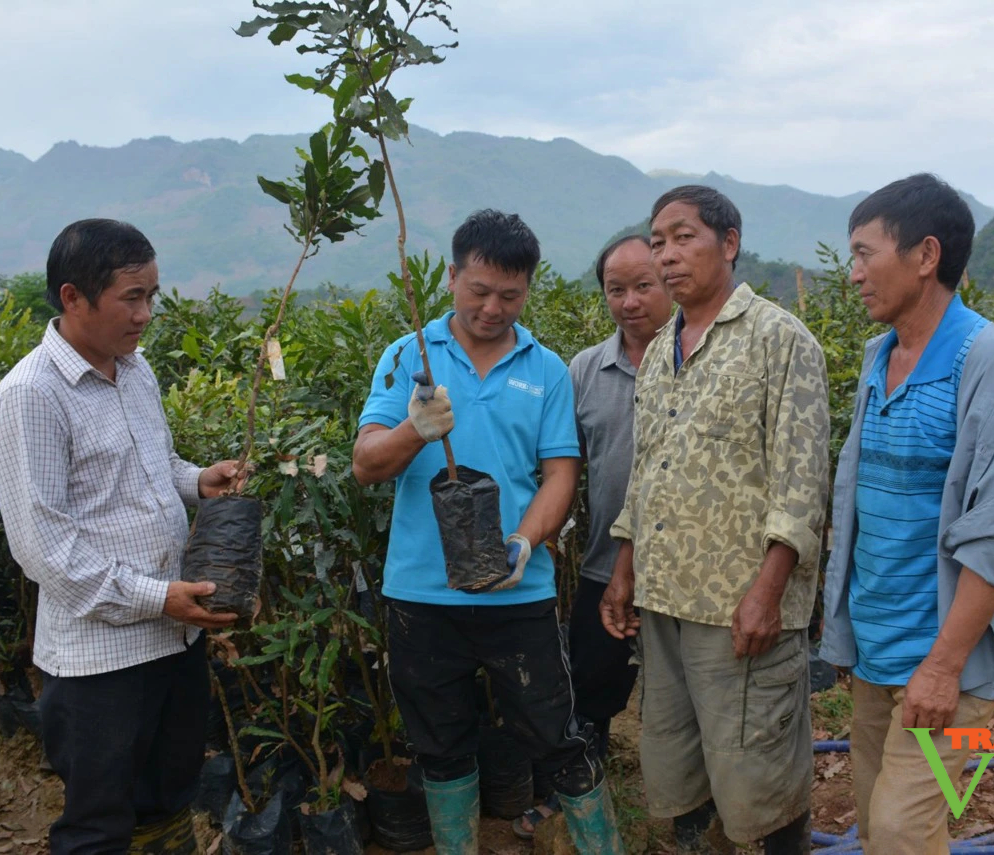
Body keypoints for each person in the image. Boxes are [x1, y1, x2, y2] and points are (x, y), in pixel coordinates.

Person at [351, 209, 625, 855]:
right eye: (479, 291)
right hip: (422, 595)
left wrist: (523, 543)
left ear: (528, 289)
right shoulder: (407, 357)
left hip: (517, 594)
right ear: (451, 277)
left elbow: (560, 474)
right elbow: (365, 465)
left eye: (509, 294)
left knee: (557, 735)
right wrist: (414, 429)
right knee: (439, 744)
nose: (492, 307)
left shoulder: (546, 369)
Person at [0, 219, 247, 854]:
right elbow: (46, 549)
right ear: (73, 297)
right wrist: (160, 598)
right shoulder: (31, 398)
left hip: (173, 638)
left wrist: (198, 481)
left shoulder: (135, 371)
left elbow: (152, 470)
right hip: (101, 660)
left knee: (167, 795)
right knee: (99, 822)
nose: (147, 314)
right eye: (133, 297)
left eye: (152, 295)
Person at [819, 174, 994, 855]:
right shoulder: (878, 356)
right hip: (874, 647)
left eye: (865, 253)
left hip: (941, 658)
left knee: (897, 828)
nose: (854, 273)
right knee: (880, 823)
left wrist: (942, 666)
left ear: (924, 256)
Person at [601, 185, 830, 853]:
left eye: (683, 237)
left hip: (740, 609)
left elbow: (800, 482)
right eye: (657, 241)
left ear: (728, 244)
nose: (667, 255)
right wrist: (624, 569)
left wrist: (767, 592)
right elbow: (645, 473)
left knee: (760, 767)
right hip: (666, 598)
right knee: (680, 757)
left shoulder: (778, 340)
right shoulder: (658, 354)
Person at [515, 234, 674, 840]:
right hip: (608, 564)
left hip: (690, 570)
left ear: (670, 283)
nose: (630, 301)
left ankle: (693, 802)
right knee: (592, 681)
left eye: (644, 286)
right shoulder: (585, 369)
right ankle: (581, 785)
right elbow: (564, 466)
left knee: (684, 688)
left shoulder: (701, 359)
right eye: (616, 289)